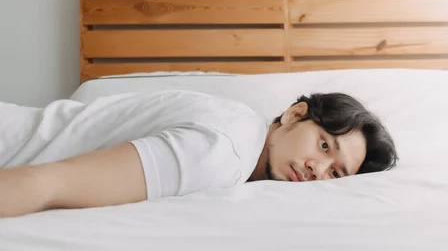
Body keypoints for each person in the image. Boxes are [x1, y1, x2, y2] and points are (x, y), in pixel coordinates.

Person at [0, 90, 397, 218]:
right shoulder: (223, 151)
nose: (317, 169)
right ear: (295, 115)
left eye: (335, 174)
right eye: (325, 146)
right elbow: (48, 183)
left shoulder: (240, 126)